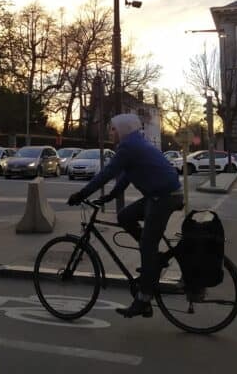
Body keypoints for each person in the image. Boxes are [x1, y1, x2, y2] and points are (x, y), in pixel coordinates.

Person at [67, 113, 182, 318]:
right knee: (125, 216)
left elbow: (107, 173)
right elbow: (126, 175)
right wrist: (111, 196)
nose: (111, 133)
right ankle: (154, 260)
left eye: (113, 129)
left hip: (163, 197)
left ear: (123, 130)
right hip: (158, 195)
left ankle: (143, 300)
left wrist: (81, 194)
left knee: (147, 244)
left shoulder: (128, 146)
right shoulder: (135, 144)